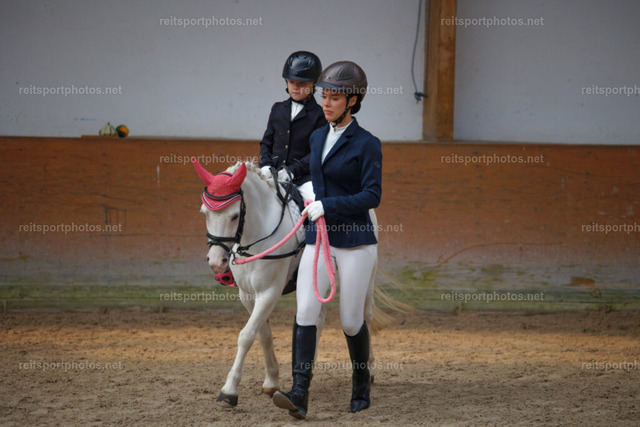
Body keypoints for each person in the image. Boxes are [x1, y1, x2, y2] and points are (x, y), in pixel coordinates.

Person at [272, 61, 382, 419]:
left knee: (350, 321)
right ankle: (299, 393)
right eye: (324, 96)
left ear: (353, 101)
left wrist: (328, 205)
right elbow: (312, 177)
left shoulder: (367, 143)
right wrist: (299, 191)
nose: (326, 103)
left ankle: (361, 386)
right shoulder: (318, 137)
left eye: (334, 97)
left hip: (355, 242)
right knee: (305, 312)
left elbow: (372, 195)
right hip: (319, 239)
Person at [214, 51, 325, 287]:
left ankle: (313, 261)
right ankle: (233, 262)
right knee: (245, 206)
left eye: (302, 83)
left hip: (303, 177)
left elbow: (317, 152)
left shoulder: (319, 115)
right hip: (272, 173)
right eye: (292, 82)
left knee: (317, 206)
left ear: (313, 84)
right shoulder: (278, 109)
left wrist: (292, 171)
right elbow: (267, 141)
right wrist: (264, 164)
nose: (296, 87)